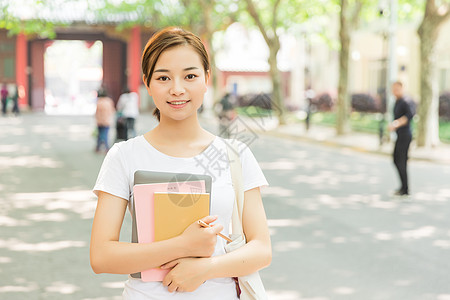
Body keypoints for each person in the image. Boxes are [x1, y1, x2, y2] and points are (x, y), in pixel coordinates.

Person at [90, 27, 272, 299]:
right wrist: (182, 245)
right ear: (147, 82)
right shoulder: (124, 156)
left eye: (190, 76)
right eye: (163, 77)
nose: (177, 89)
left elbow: (261, 249)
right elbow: (102, 256)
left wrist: (206, 269)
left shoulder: (235, 154)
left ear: (206, 79)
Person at [388, 81, 413, 196]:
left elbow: (409, 116)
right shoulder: (396, 101)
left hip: (405, 135)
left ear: (402, 89)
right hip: (400, 135)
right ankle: (403, 187)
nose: (395, 91)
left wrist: (396, 124)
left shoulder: (406, 101)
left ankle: (405, 190)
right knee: (396, 160)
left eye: (397, 89)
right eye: (393, 89)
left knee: (401, 161)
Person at [95, 87, 115, 153]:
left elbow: (97, 112)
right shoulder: (109, 101)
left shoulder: (99, 101)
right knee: (105, 135)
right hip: (107, 121)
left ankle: (98, 147)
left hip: (100, 121)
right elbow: (112, 110)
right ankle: (106, 147)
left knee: (100, 134)